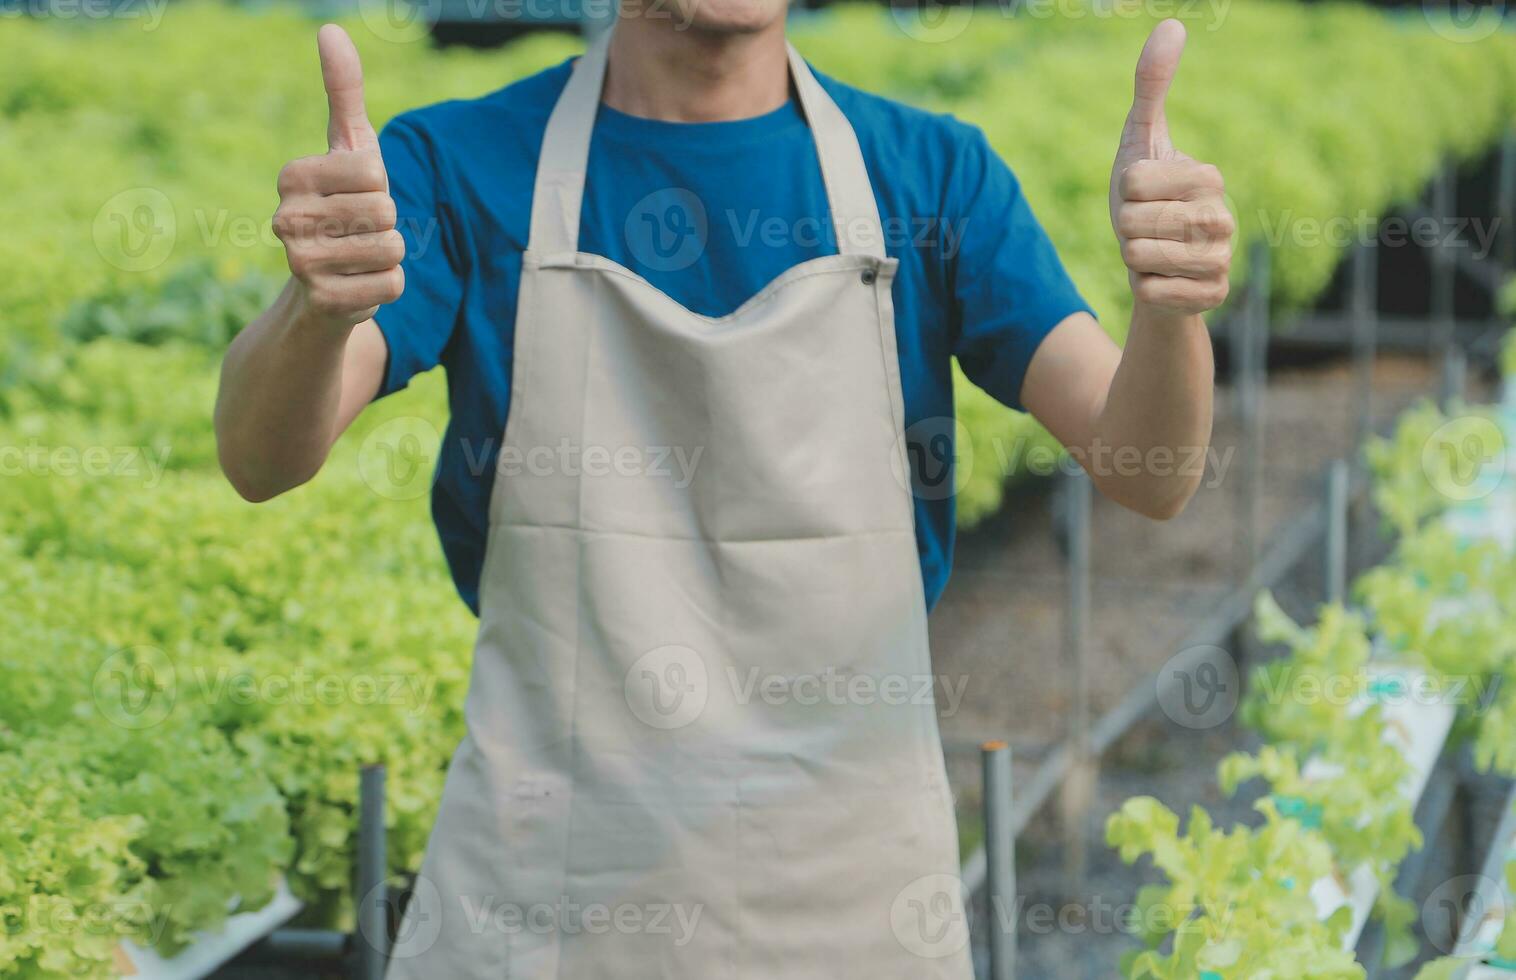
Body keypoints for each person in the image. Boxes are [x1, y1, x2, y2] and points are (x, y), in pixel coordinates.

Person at [214, 1, 1227, 974]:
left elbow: (1148, 469)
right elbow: (262, 458)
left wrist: (1172, 315)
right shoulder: (458, 165)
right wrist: (313, 313)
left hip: (849, 887)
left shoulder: (929, 177)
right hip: (552, 889)